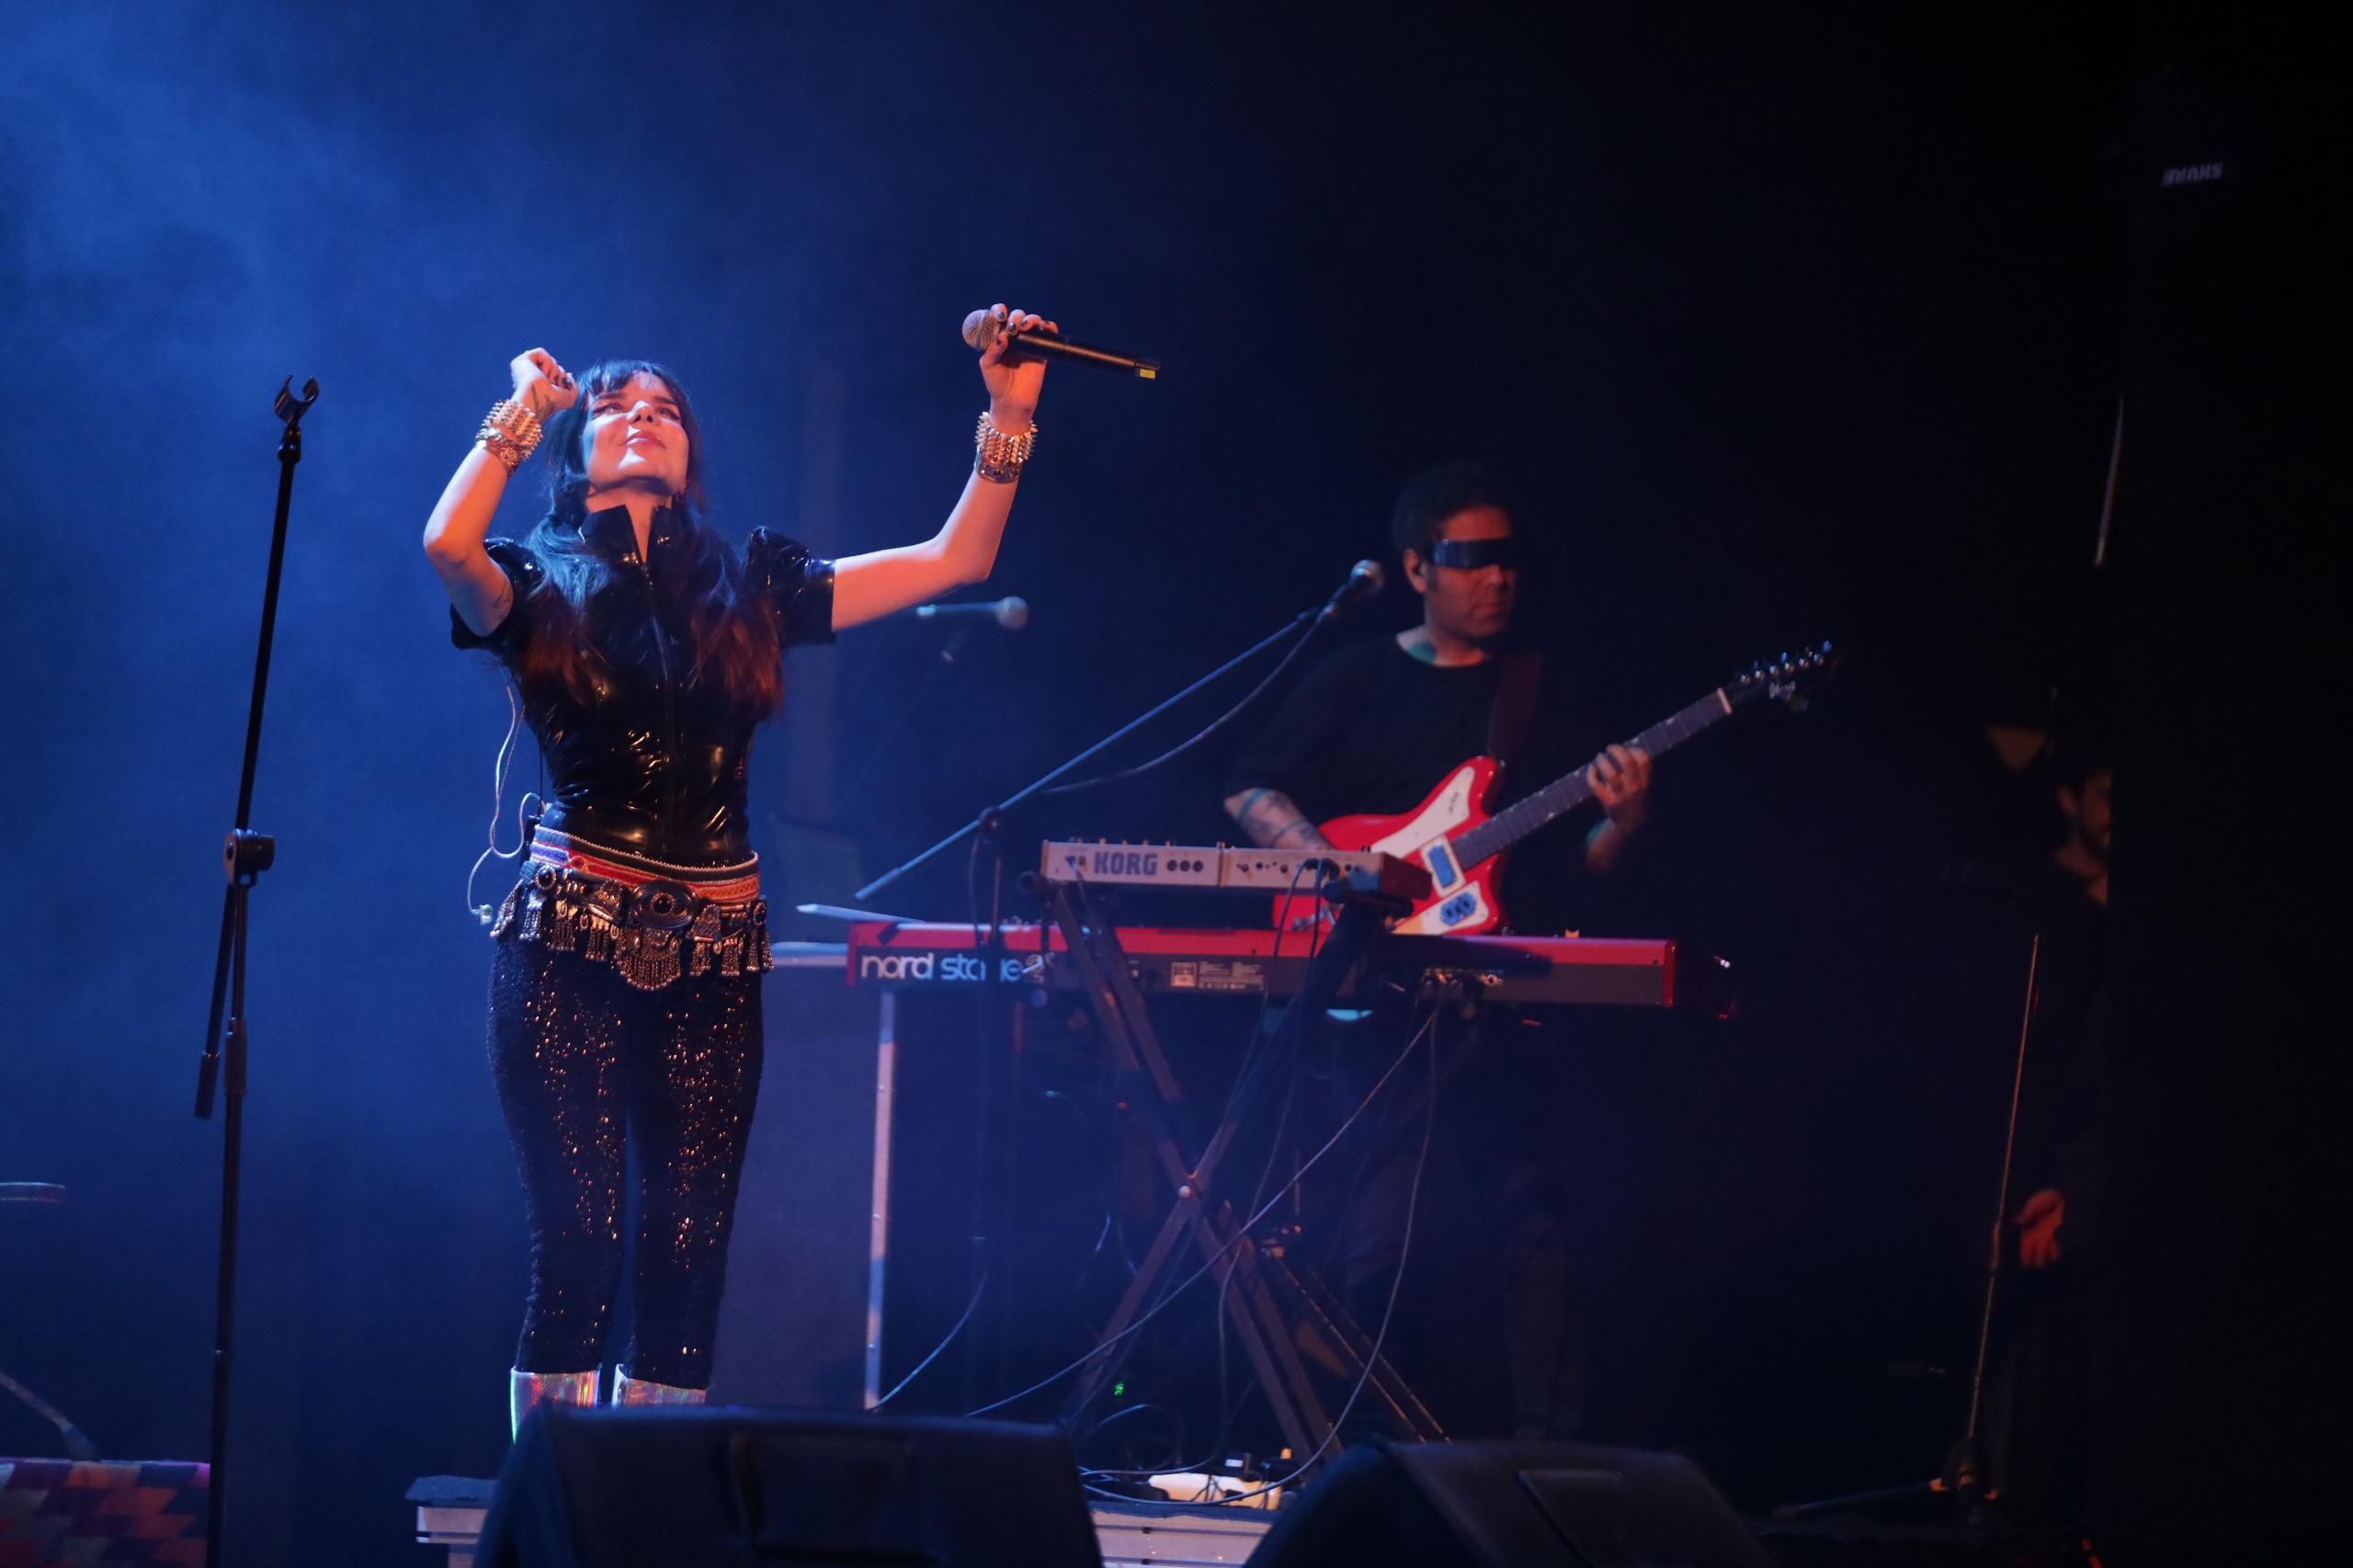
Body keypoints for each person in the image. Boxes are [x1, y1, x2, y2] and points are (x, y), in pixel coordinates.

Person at [423, 307, 1054, 1432]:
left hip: (717, 944)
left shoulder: (748, 579)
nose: (644, 418)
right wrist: (523, 406)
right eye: (616, 406)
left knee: (689, 1241)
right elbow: (444, 545)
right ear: (573, 448)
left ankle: (650, 1501)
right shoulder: (530, 573)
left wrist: (1008, 411)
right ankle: (549, 1495)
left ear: (691, 454)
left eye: (666, 409)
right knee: (580, 1237)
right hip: (570, 931)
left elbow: (954, 558)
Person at [1219, 462, 1654, 1437]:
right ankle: (1368, 1450)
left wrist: (1622, 822)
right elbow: (1248, 785)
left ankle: (1549, 1453)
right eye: (1473, 558)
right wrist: (1336, 870)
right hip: (1373, 996)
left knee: (1533, 1220)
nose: (1499, 577)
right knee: (1378, 1233)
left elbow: (1587, 862)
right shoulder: (1353, 676)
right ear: (1417, 567)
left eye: (1510, 559)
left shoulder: (1540, 694)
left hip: (1496, 998)